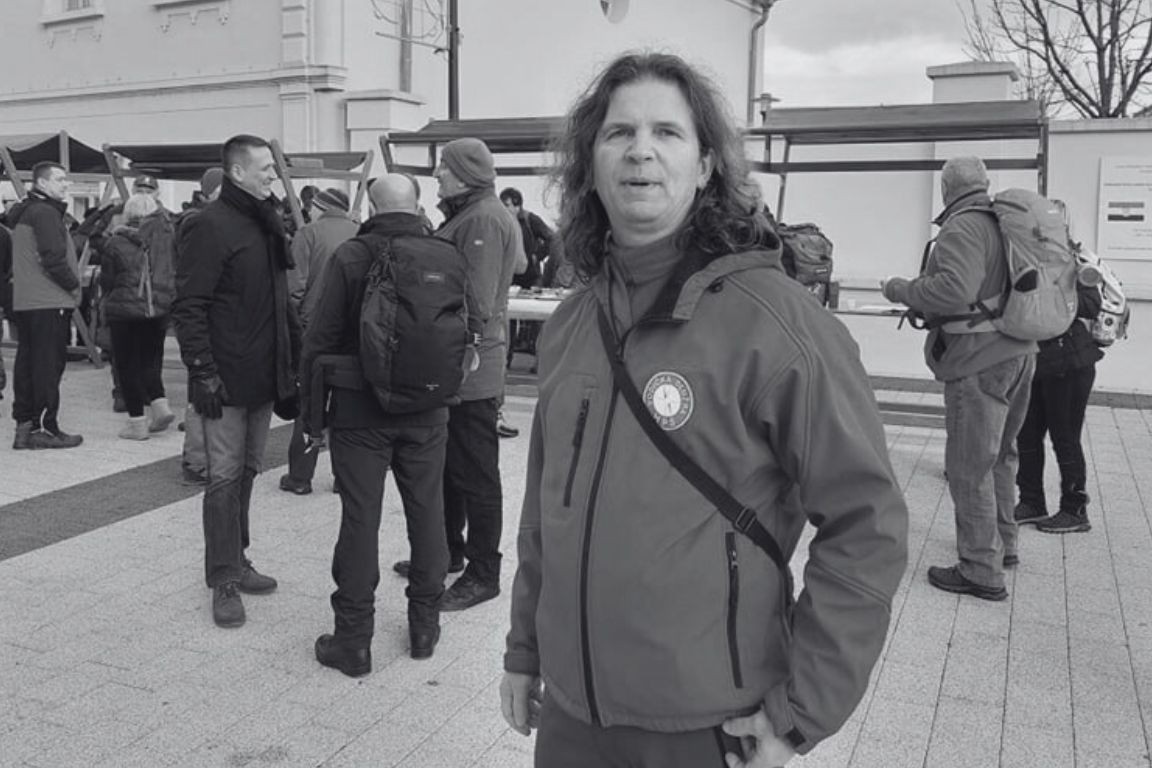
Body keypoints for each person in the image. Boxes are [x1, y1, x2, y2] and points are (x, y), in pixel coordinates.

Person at [501, 52, 908, 768]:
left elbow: (867, 521)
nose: (641, 150)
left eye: (667, 132)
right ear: (590, 164)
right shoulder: (571, 324)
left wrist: (801, 711)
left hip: (707, 727)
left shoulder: (776, 324)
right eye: (618, 132)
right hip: (569, 718)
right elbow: (545, 511)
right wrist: (525, 650)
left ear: (707, 166)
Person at [301, 173, 481, 675]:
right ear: (417, 205)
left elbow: (320, 338)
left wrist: (312, 417)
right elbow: (469, 327)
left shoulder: (351, 256)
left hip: (360, 411)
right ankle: (424, 627)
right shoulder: (446, 255)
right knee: (428, 513)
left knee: (360, 519)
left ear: (371, 207)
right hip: (429, 410)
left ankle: (353, 640)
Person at [882, 155, 1035, 600]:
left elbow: (952, 290)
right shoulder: (1003, 221)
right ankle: (1004, 544)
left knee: (969, 468)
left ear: (946, 188)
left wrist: (898, 288)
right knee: (1002, 455)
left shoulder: (963, 227)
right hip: (1020, 351)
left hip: (980, 360)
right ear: (984, 183)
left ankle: (980, 569)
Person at [172, 135, 300, 629]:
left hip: (264, 374)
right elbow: (190, 305)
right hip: (224, 378)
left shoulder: (266, 221)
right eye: (266, 168)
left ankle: (238, 559)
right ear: (238, 172)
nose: (273, 175)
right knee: (223, 478)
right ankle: (223, 578)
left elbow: (280, 300)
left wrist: (294, 357)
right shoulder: (209, 225)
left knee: (246, 471)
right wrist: (202, 370)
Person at [393, 138, 526, 610]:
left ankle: (483, 572)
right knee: (451, 468)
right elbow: (519, 264)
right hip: (461, 366)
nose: (437, 175)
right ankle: (447, 550)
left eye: (444, 168)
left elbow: (478, 303)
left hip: (471, 369)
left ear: (466, 172)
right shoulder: (473, 213)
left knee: (476, 473)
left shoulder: (483, 219)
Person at [279, 187, 359, 495]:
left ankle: (300, 477)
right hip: (352, 333)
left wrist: (295, 326)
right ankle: (343, 478)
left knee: (309, 404)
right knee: (345, 404)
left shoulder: (308, 233)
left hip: (314, 330)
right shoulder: (360, 232)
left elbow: (295, 287)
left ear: (318, 207)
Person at [1014, 277, 1103, 534]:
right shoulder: (1019, 258)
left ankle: (1075, 510)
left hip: (1070, 361)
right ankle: (1031, 502)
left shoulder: (1069, 260)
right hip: (1035, 361)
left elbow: (1091, 303)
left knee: (1065, 437)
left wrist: (1044, 295)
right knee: (1027, 434)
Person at [8, 161, 84, 450]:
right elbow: (53, 258)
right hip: (48, 299)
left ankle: (25, 427)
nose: (66, 184)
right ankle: (44, 427)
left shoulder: (27, 211)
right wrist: (73, 286)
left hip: (29, 300)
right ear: (41, 183)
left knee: (28, 364)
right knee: (47, 366)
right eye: (59, 179)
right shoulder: (45, 213)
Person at [99, 193, 177, 439]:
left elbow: (107, 280)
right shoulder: (166, 239)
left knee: (127, 365)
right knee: (151, 360)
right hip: (158, 309)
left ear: (128, 214)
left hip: (124, 312)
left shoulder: (115, 242)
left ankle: (137, 423)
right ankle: (160, 405)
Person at [176, 167, 224, 486]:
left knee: (205, 391)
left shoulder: (205, 219)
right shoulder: (198, 222)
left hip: (207, 316)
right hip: (201, 318)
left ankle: (202, 457)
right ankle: (195, 460)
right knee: (200, 391)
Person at [500, 187, 554, 389]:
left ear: (517, 205)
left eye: (507, 205)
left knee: (537, 317)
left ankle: (540, 361)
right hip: (510, 275)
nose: (504, 209)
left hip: (531, 275)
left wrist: (537, 256)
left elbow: (551, 238)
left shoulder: (531, 220)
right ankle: (506, 359)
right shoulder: (504, 221)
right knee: (508, 319)